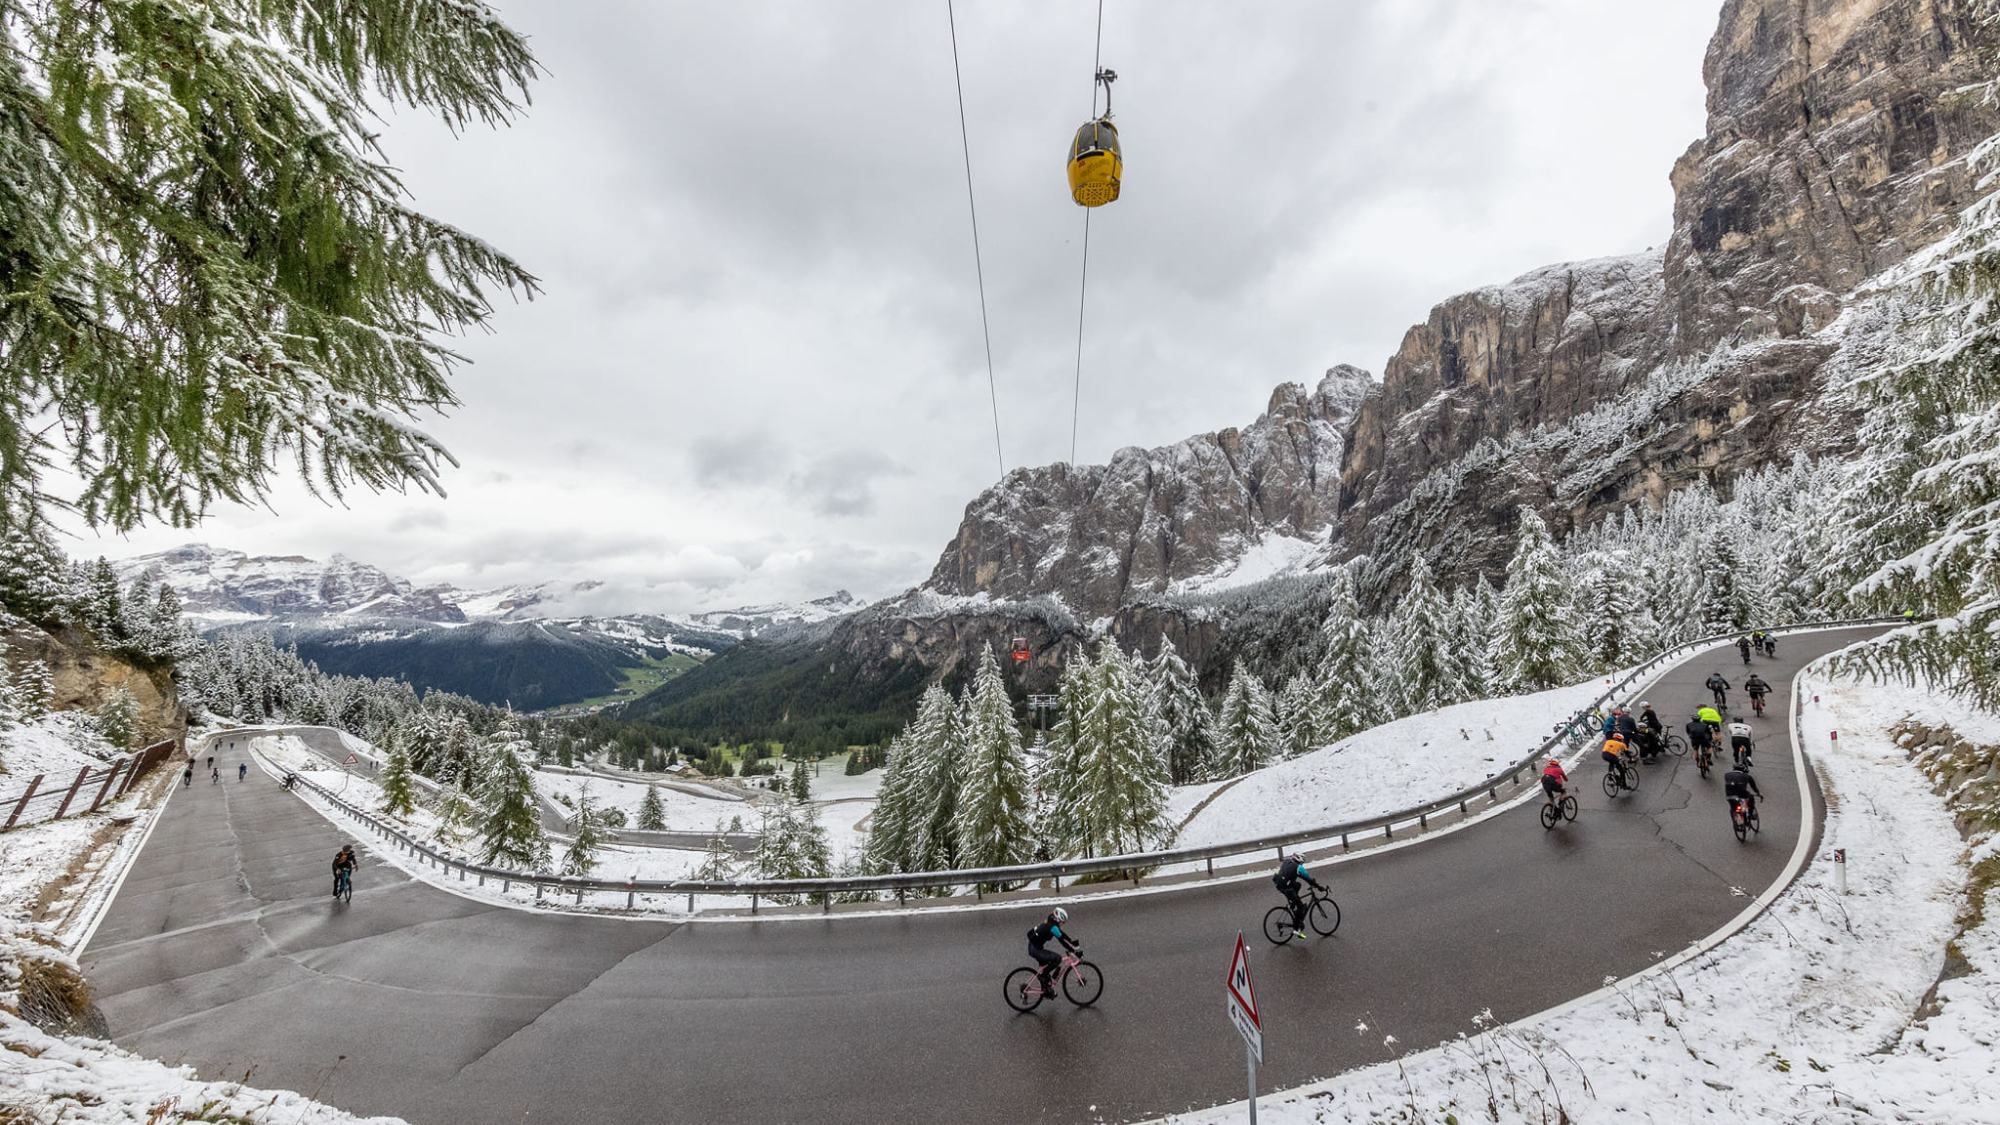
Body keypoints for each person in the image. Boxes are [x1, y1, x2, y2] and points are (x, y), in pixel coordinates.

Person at [1273, 852, 1326, 939]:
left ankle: (1293, 904)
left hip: (1279, 884)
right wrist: (1318, 886)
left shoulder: (1287, 861)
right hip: (1287, 887)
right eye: (1302, 862)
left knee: (1298, 885)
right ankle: (1296, 929)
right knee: (1301, 906)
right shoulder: (1298, 867)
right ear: (1300, 860)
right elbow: (1307, 878)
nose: (1302, 864)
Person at [1028, 907, 1079, 988]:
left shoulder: (1051, 922)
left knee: (1048, 965)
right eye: (1063, 922)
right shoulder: (1053, 927)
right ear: (1058, 920)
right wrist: (1073, 951)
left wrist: (1071, 941)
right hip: (1035, 950)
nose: (1063, 924)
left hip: (1034, 946)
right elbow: (1062, 941)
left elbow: (1061, 934)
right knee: (1057, 958)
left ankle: (1046, 987)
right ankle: (1043, 977)